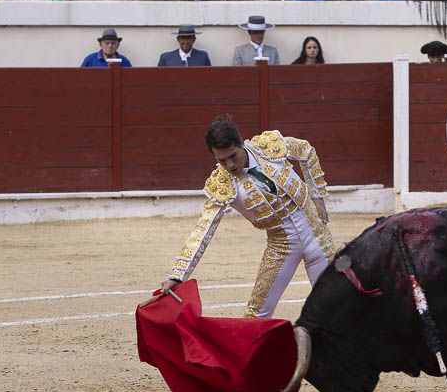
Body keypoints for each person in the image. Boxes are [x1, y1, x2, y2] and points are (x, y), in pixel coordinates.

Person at [141, 117, 334, 320]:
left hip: (316, 233)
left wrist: (317, 194)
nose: (230, 165)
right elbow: (202, 231)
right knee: (256, 314)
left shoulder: (268, 147)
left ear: (241, 143)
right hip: (282, 246)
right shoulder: (222, 185)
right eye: (221, 160)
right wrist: (177, 275)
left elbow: (306, 151)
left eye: (233, 156)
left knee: (334, 304)